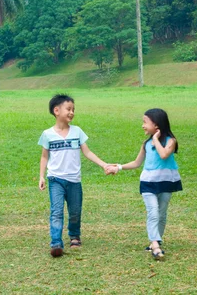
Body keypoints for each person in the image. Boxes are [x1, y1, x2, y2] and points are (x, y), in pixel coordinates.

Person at [38, 94, 115, 257]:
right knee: (56, 211)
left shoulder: (77, 132)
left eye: (73, 109)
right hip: (55, 179)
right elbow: (44, 156)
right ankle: (56, 243)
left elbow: (87, 152)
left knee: (75, 211)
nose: (72, 112)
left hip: (74, 180)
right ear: (56, 110)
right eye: (68, 109)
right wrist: (41, 176)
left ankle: (74, 236)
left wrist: (104, 164)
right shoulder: (47, 134)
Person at [115, 108, 183, 261]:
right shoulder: (146, 144)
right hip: (148, 182)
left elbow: (164, 154)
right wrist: (118, 167)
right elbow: (136, 163)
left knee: (162, 213)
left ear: (157, 125)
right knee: (153, 212)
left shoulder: (171, 141)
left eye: (145, 122)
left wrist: (156, 140)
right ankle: (155, 245)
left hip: (166, 181)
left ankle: (155, 241)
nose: (143, 125)